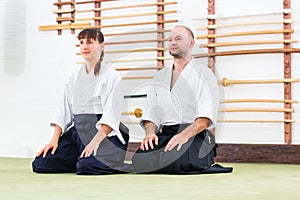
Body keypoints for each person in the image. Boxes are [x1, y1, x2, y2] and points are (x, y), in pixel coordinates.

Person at [131, 25, 232, 174]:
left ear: (191, 43)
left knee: (176, 162)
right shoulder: (160, 76)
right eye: (170, 39)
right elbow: (150, 113)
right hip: (166, 134)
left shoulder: (204, 74)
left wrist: (183, 136)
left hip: (194, 135)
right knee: (139, 162)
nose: (172, 42)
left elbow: (205, 119)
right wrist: (150, 133)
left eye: (178, 38)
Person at [32, 28, 132, 175]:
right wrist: (54, 140)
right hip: (78, 132)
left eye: (90, 42)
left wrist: (95, 142)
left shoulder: (111, 76)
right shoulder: (74, 77)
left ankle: (118, 164)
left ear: (101, 46)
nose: (85, 46)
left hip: (103, 134)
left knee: (87, 167)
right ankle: (82, 159)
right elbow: (63, 112)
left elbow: (111, 117)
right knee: (41, 163)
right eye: (81, 42)